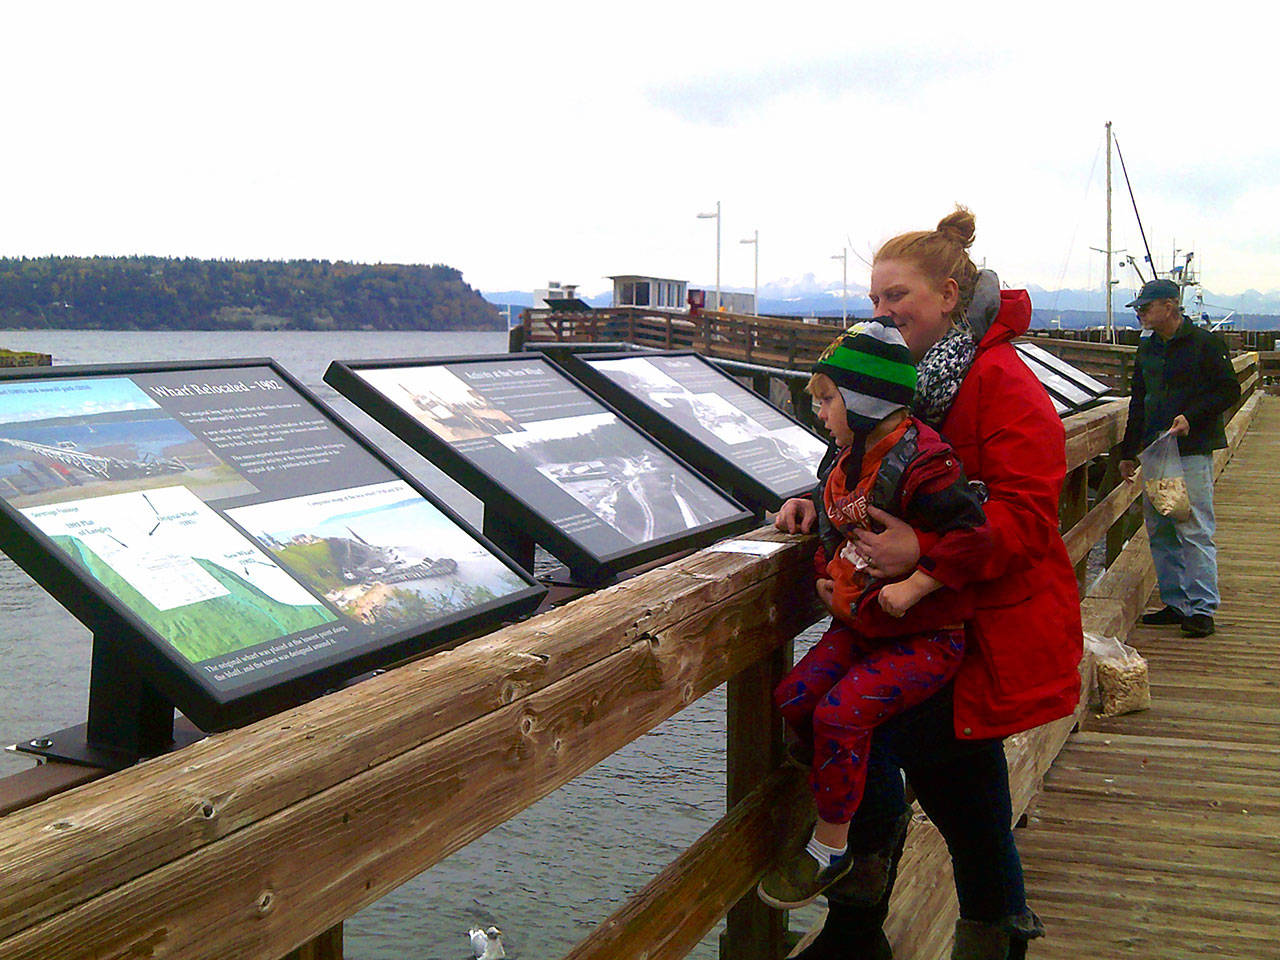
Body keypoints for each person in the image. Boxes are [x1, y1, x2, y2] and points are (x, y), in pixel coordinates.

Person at [775, 207, 1083, 960]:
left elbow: (1030, 518)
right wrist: (819, 503)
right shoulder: (901, 378)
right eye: (874, 301)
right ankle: (964, 931)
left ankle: (860, 923)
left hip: (983, 624)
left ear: (948, 295)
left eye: (896, 298)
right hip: (925, 623)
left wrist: (924, 548)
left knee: (885, 740)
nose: (881, 313)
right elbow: (876, 466)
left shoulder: (1000, 379)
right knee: (958, 783)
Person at [757, 320, 991, 910]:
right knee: (793, 697)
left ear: (864, 401)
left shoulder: (926, 466)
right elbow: (841, 508)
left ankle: (834, 844)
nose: (819, 411)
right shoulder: (846, 460)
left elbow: (973, 536)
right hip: (864, 625)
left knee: (838, 717)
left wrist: (916, 585)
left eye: (828, 398)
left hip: (924, 635)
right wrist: (806, 507)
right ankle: (844, 780)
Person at [1117, 278, 1239, 639]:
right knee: (1161, 528)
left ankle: (1202, 608)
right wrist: (1128, 452)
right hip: (1156, 451)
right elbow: (1138, 400)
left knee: (1195, 527)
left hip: (1193, 450)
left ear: (1170, 306)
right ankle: (1176, 602)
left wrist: (1192, 416)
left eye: (1145, 307)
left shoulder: (1205, 343)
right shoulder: (1148, 349)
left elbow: (1228, 389)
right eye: (1139, 308)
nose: (1140, 313)